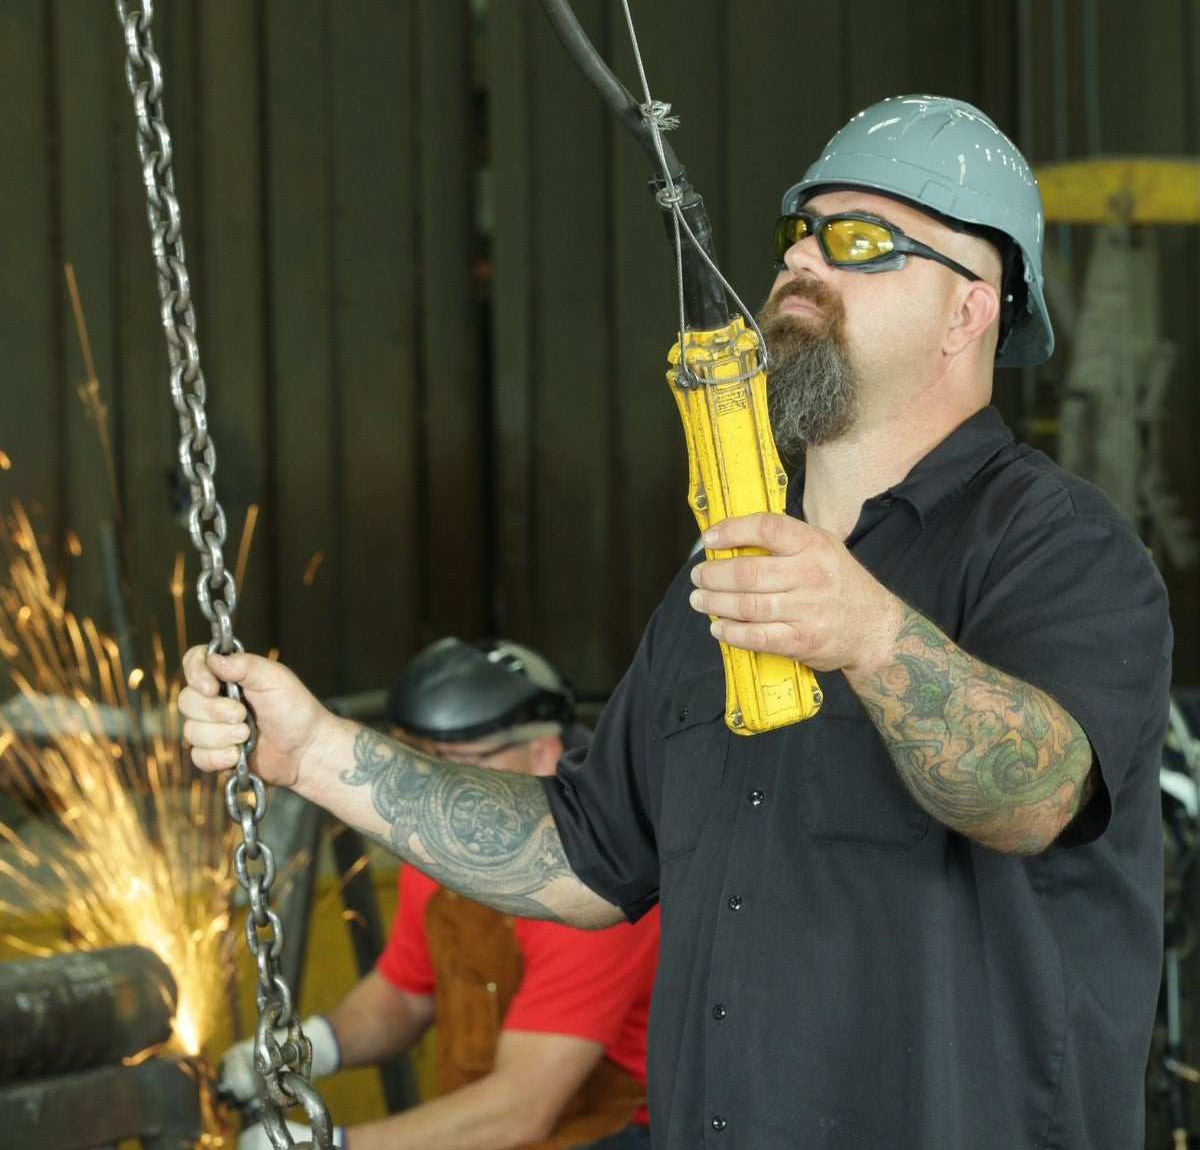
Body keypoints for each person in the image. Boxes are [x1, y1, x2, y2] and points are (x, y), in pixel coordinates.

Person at [183, 95, 1173, 1149]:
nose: (803, 259)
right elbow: (586, 853)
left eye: (860, 240)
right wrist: (317, 753)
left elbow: (1036, 796)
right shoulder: (725, 571)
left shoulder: (1062, 549)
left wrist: (875, 637)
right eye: (799, 232)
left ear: (968, 310)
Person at [221, 637, 658, 1150]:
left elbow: (520, 1111)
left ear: (542, 749)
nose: (438, 780)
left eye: (460, 759)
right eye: (430, 758)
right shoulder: (447, 843)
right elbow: (405, 997)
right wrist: (304, 1047)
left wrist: (333, 1144)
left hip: (614, 1131)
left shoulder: (595, 878)